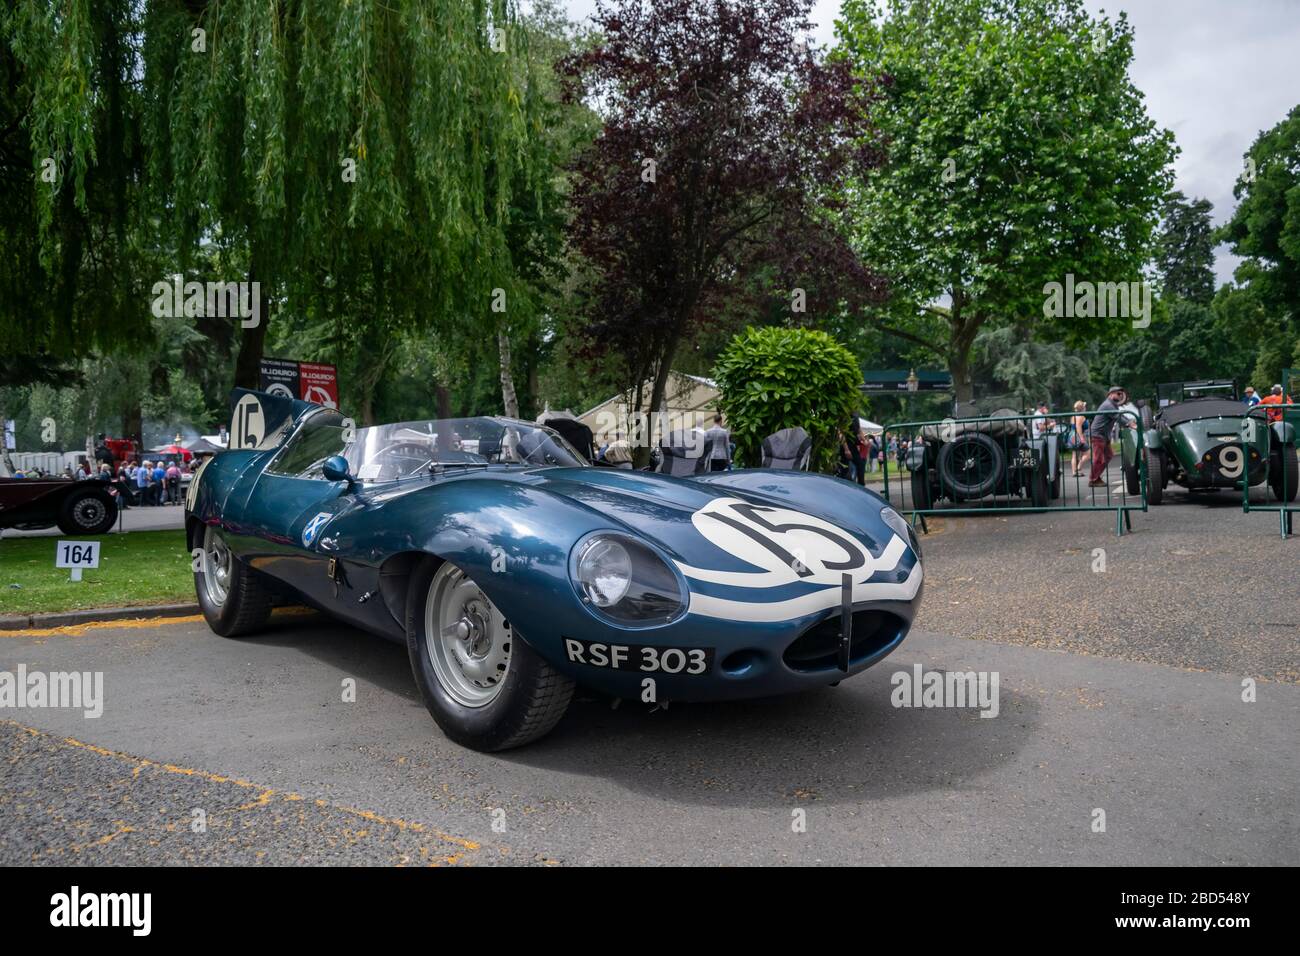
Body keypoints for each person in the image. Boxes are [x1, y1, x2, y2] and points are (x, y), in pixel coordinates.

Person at [1088, 386, 1133, 487]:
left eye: (1121, 394)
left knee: (1108, 456)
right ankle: (1093, 479)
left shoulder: (1113, 405)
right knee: (1098, 459)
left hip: (1104, 435)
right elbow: (1118, 417)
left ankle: (1096, 476)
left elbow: (1119, 415)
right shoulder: (1108, 405)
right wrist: (1130, 424)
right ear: (1111, 394)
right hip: (1098, 435)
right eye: (1118, 393)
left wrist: (1130, 421)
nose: (1120, 396)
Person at [1069, 400, 1091, 477]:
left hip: (1072, 436)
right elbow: (1078, 427)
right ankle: (1078, 468)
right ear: (1082, 408)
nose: (1085, 408)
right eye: (1084, 406)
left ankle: (1075, 472)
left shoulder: (1073, 416)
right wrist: (1082, 438)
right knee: (1088, 453)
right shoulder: (1081, 416)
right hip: (1078, 436)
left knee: (1075, 455)